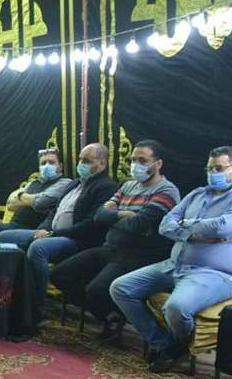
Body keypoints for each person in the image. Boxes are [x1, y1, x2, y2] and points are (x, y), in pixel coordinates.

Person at [110, 146, 232, 373]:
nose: (212, 173)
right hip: (175, 265)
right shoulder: (198, 194)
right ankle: (166, 344)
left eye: (219, 168)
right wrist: (193, 234)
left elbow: (221, 226)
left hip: (215, 274)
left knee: (176, 307)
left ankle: (175, 347)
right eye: (209, 168)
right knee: (121, 288)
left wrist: (183, 225)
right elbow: (165, 225)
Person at [51, 141, 180, 337]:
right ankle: (110, 315)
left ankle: (119, 316)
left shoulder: (166, 191)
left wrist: (114, 217)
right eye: (133, 159)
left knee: (96, 290)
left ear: (158, 164)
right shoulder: (128, 186)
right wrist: (125, 215)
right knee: (59, 275)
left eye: (143, 160)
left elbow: (139, 224)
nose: (136, 164)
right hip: (110, 247)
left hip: (138, 254)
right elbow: (99, 216)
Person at [0, 143, 119, 311]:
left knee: (38, 248)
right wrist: (43, 229)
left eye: (87, 161)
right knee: (2, 237)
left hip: (76, 239)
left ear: (102, 163)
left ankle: (35, 305)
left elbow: (92, 223)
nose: (81, 164)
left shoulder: (106, 187)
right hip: (51, 232)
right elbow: (54, 212)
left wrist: (53, 233)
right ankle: (8, 294)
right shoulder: (74, 183)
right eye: (80, 160)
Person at [0, 148, 76, 233]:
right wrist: (33, 201)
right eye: (43, 163)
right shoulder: (33, 183)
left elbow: (41, 201)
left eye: (51, 162)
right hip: (13, 225)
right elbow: (11, 205)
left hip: (33, 229)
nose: (47, 166)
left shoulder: (64, 182)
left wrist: (20, 196)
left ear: (60, 166)